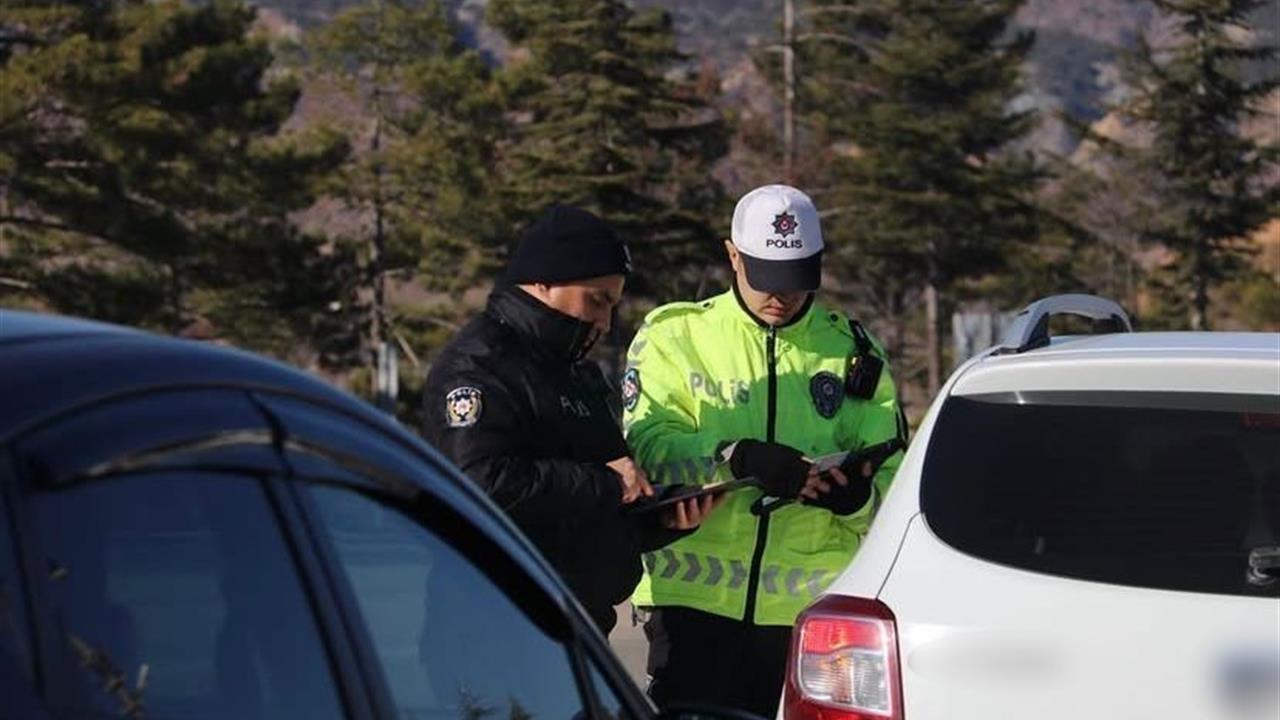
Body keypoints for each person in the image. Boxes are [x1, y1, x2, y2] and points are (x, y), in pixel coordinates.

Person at [622, 185, 907, 716]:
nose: (780, 296)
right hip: (692, 607)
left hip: (812, 617)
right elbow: (649, 448)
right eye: (764, 277)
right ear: (732, 255)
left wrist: (857, 500)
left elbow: (894, 470)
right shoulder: (675, 336)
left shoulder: (853, 351)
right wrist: (734, 456)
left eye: (797, 280)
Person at [421, 204, 716, 634]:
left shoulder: (574, 372)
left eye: (612, 305)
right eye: (596, 300)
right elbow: (480, 482)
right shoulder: (479, 366)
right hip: (493, 626)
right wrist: (608, 482)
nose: (605, 320)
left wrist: (658, 518)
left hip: (577, 626)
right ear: (544, 281)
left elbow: (584, 506)